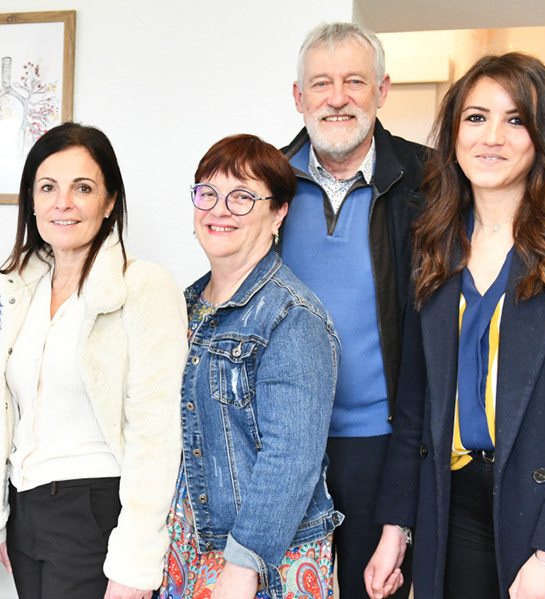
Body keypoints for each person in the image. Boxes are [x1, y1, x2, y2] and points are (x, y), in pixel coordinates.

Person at [366, 52, 545, 599]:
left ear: (543, 134)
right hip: (455, 506)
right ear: (453, 132)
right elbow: (416, 403)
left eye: (515, 119)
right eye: (476, 117)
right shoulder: (435, 234)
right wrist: (396, 525)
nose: (491, 136)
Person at [0, 123, 186, 599]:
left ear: (109, 201)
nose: (63, 203)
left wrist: (135, 562)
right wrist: (6, 520)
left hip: (94, 514)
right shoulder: (17, 288)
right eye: (48, 187)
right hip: (26, 511)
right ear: (31, 200)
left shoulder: (143, 286)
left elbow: (156, 434)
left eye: (83, 188)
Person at [279, 22, 427, 599]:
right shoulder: (264, 182)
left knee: (375, 591)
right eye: (320, 83)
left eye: (354, 82)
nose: (336, 97)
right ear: (298, 97)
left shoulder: (433, 181)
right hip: (285, 445)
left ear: (382, 90)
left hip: (383, 443)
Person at [157, 134, 340, 599]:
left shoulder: (292, 316)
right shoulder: (186, 305)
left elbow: (292, 458)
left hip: (261, 560)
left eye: (242, 197)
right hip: (190, 542)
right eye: (208, 193)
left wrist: (243, 566)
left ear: (277, 213)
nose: (219, 210)